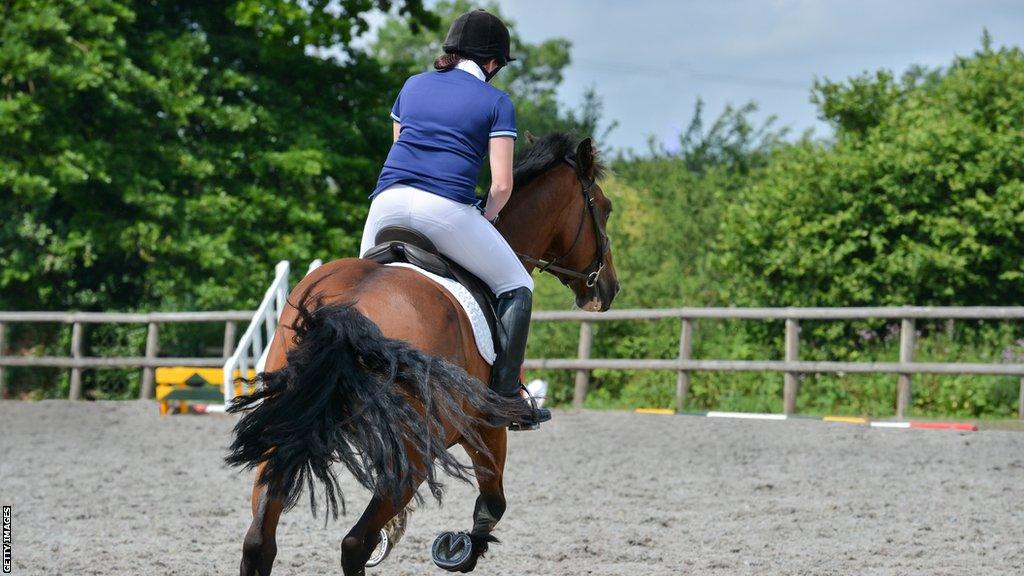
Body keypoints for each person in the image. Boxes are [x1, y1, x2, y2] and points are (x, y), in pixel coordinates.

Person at [359, 9, 550, 430]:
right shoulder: (497, 102)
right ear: (492, 62)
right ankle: (504, 400)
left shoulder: (411, 86)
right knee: (518, 284)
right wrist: (486, 217)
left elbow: (400, 148)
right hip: (444, 209)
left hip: (385, 205)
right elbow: (501, 186)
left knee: (360, 289)